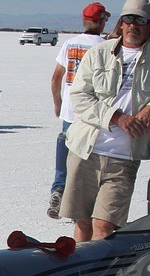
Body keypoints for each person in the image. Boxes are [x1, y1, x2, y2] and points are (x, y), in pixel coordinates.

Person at [60, 0, 150, 243]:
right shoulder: (100, 52)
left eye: (141, 20)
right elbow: (79, 97)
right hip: (86, 150)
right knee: (83, 222)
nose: (134, 25)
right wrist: (116, 117)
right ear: (120, 24)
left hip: (124, 157)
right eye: (129, 19)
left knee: (104, 225)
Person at [48, 2, 111, 219]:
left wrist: (58, 102)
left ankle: (58, 190)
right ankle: (82, 206)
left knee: (65, 153)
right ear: (101, 20)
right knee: (88, 161)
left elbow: (57, 77)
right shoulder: (106, 46)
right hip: (93, 113)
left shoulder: (70, 44)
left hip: (70, 111)